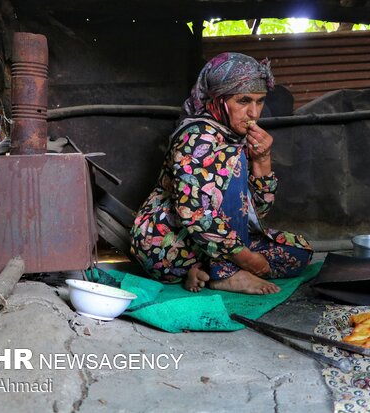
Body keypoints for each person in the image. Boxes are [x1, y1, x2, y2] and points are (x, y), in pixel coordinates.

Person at [129, 52, 313, 295]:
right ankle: (225, 274)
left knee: (299, 252)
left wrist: (262, 160)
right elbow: (192, 213)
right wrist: (246, 259)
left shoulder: (234, 136)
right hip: (166, 241)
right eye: (244, 101)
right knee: (232, 160)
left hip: (208, 244)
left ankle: (200, 269)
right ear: (217, 100)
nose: (254, 113)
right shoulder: (198, 136)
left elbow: (256, 214)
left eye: (260, 101)